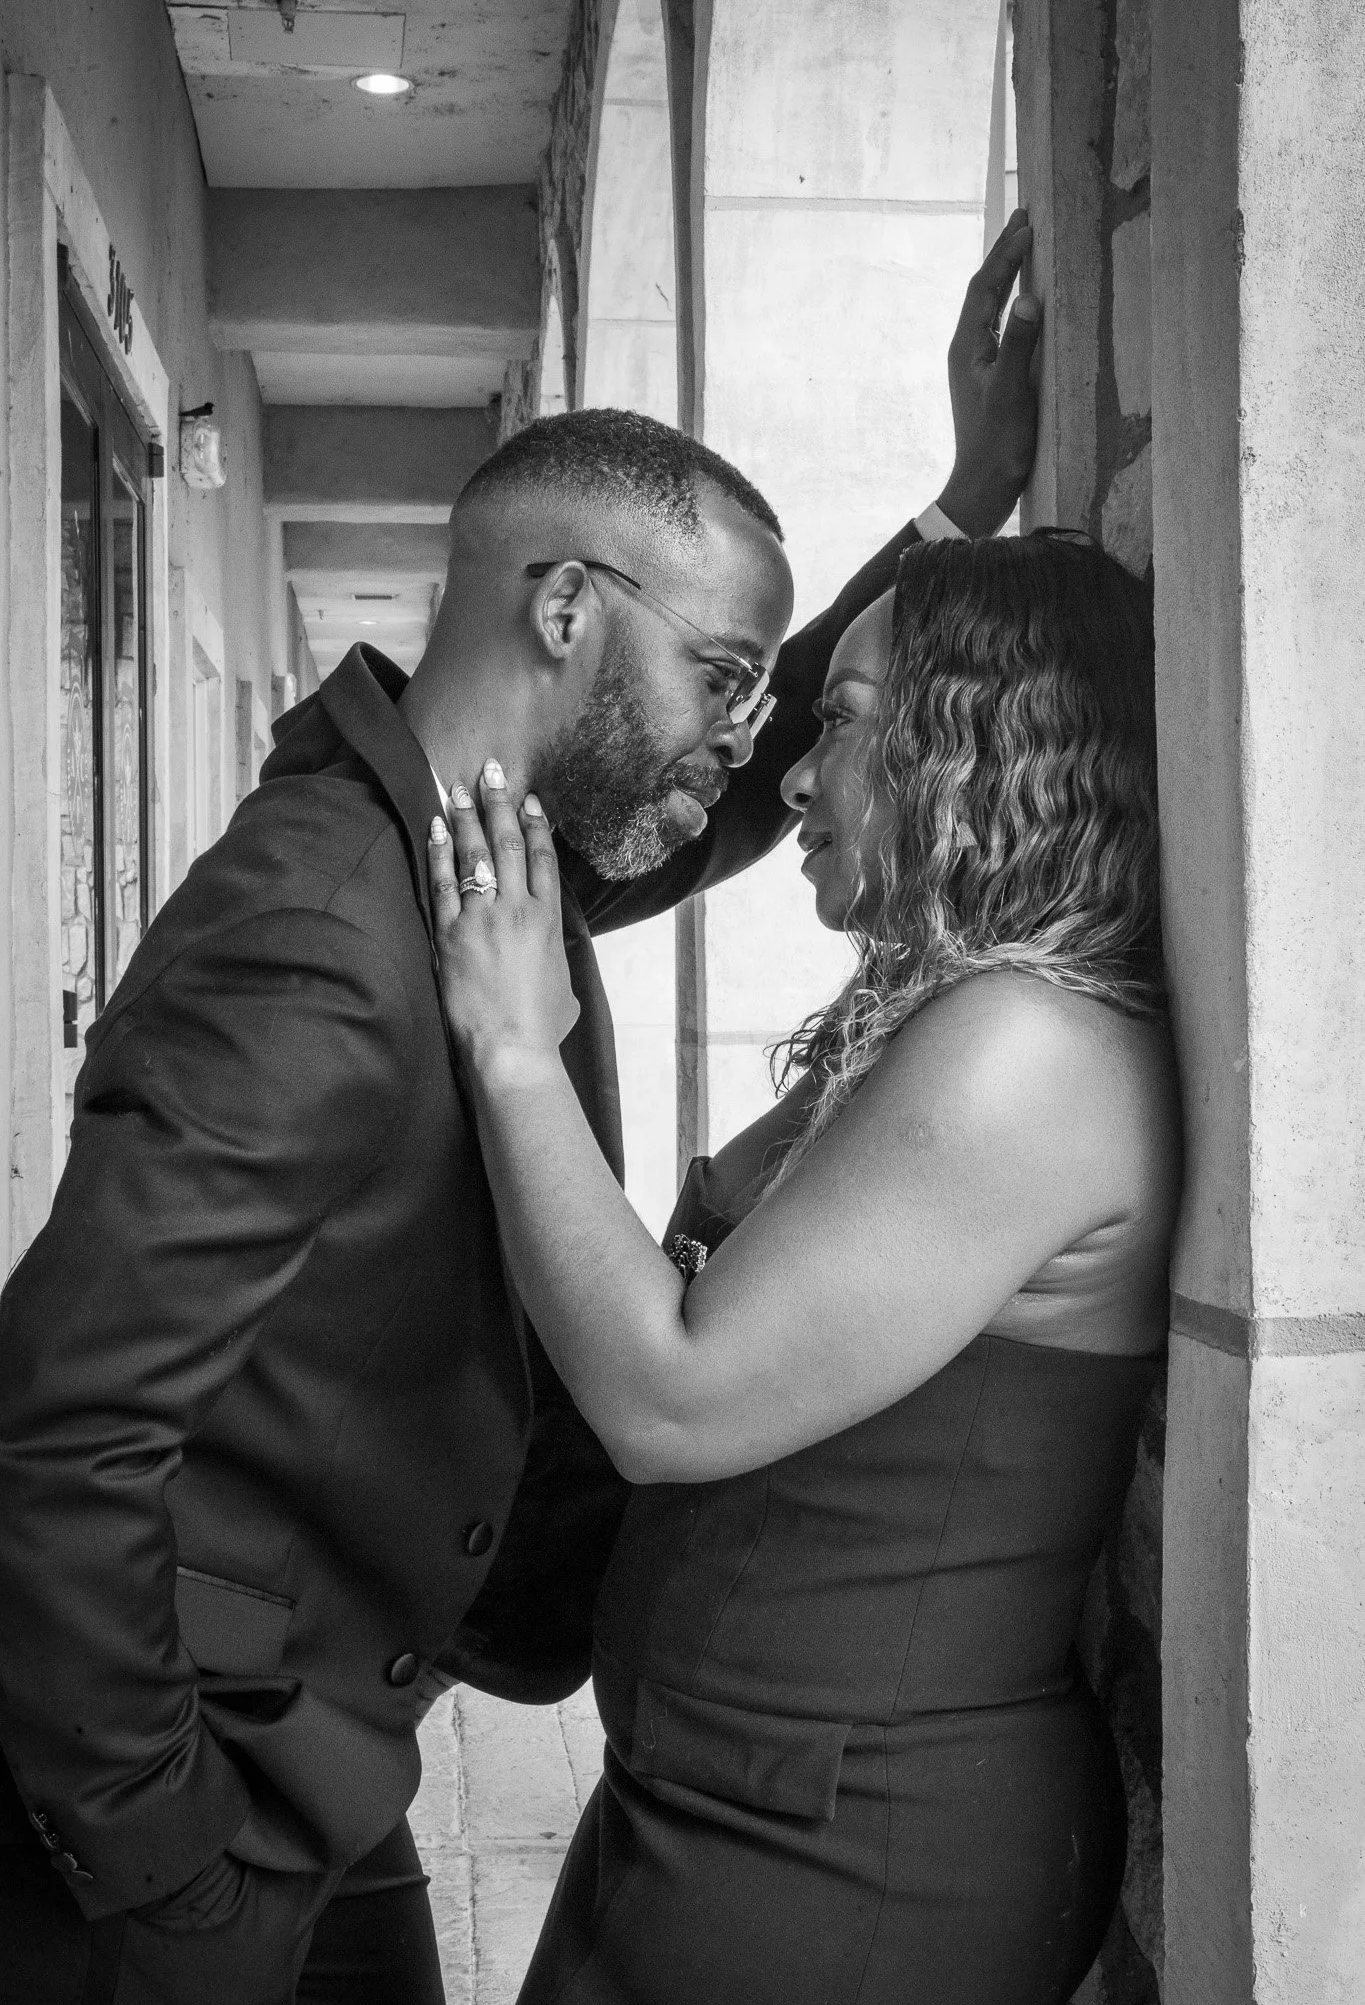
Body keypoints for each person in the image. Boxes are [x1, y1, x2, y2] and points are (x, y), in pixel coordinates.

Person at [0, 220, 1041, 2004]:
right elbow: (53, 1435)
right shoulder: (328, 928)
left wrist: (960, 503)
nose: (750, 739)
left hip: (321, 1743)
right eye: (723, 677)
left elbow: (705, 802)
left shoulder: (492, 846)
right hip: (185, 1811)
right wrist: (162, 1864)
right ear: (565, 608)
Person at [425, 530, 1183, 2005]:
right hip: (738, 1804)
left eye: (837, 718)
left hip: (852, 1855)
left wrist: (516, 1051)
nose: (792, 775)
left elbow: (673, 1400)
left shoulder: (1026, 1050)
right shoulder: (942, 1013)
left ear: (977, 740)